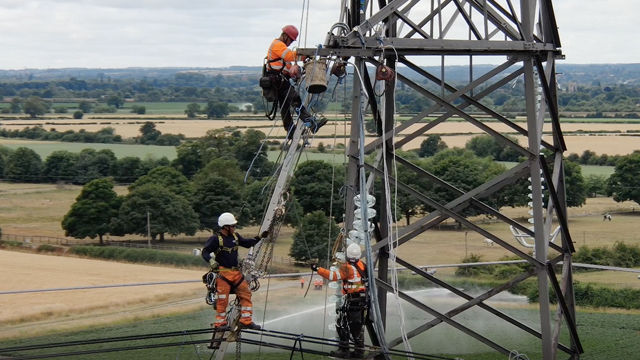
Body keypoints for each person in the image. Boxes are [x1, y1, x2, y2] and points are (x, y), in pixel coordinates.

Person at [201, 212, 267, 331]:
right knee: (222, 299)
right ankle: (220, 324)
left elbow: (247, 244)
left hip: (236, 273)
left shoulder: (235, 237)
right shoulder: (216, 239)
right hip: (223, 274)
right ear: (225, 226)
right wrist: (211, 261)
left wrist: (260, 237)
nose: (234, 228)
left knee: (246, 294)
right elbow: (205, 252)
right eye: (232, 226)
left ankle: (246, 321)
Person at [265, 25, 327, 137]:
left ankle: (290, 130)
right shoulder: (278, 45)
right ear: (285, 36)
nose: (291, 43)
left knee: (285, 107)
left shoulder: (280, 48)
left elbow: (287, 66)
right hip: (277, 80)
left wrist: (295, 72)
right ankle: (311, 123)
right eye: (291, 40)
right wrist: (303, 55)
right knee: (295, 99)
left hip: (278, 80)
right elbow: (289, 56)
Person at [312, 244, 368, 358]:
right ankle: (357, 352)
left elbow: (333, 276)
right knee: (356, 326)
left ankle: (346, 350)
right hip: (361, 301)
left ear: (347, 255)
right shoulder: (362, 265)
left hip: (353, 301)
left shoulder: (347, 268)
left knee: (342, 324)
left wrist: (317, 269)